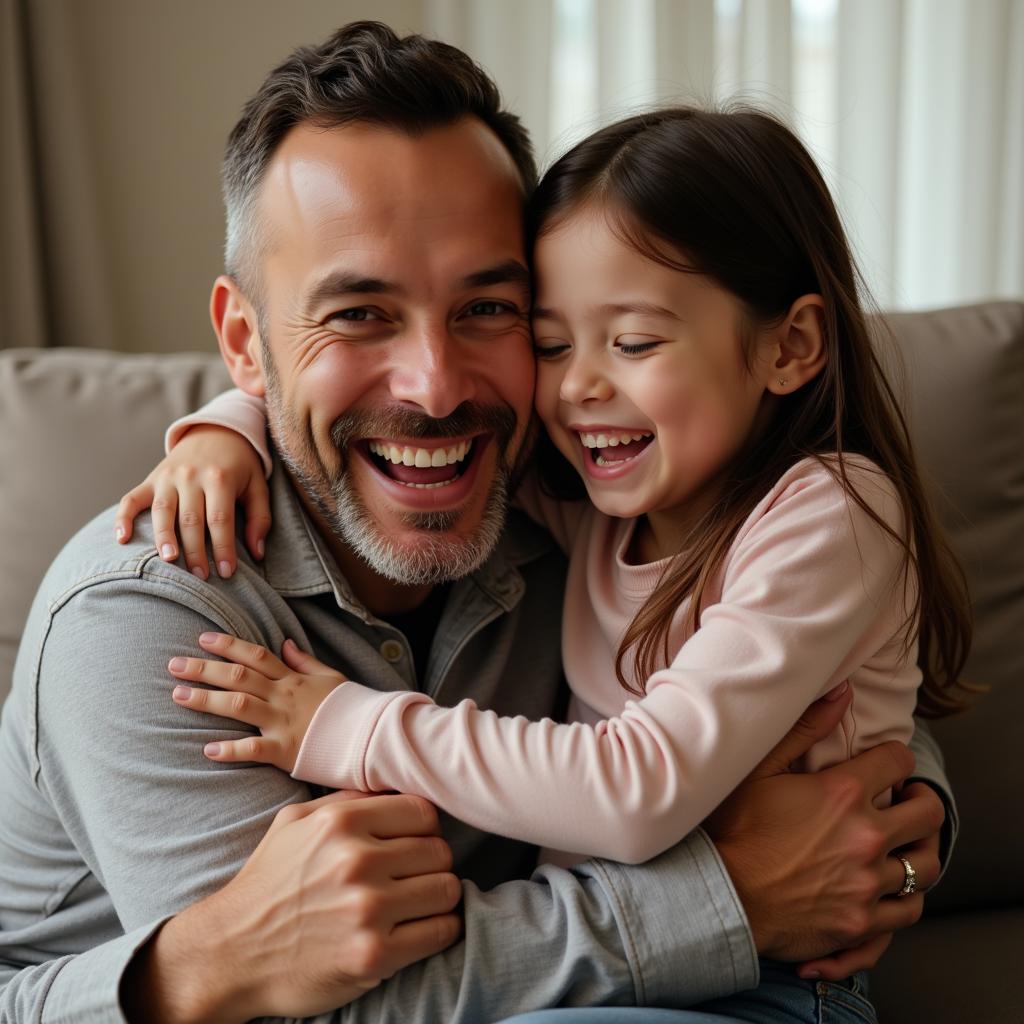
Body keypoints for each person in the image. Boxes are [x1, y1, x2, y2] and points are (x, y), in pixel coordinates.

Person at [0, 22, 951, 1024]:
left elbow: (796, 666)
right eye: (359, 314)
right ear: (247, 341)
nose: (438, 388)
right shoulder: (151, 615)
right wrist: (735, 895)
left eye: (491, 311)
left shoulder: (551, 492)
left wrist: (890, 810)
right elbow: (316, 1008)